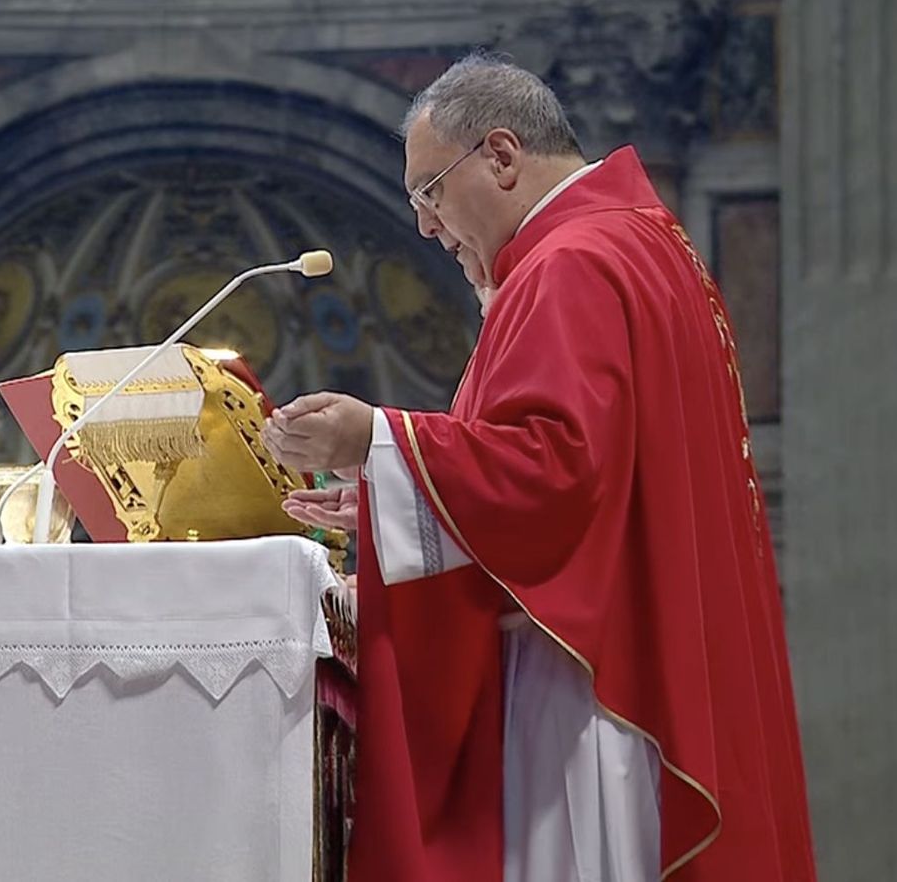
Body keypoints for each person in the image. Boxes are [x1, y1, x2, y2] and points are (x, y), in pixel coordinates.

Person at [262, 54, 817, 882]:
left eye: (429, 192)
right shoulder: (646, 246)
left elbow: (554, 472)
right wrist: (396, 489)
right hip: (642, 652)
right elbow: (604, 472)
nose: (424, 225)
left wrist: (373, 438)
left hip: (591, 680)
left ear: (501, 155)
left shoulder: (567, 265)